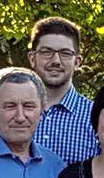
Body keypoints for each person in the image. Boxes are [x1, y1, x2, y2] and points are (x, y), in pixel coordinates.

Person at [27, 16, 98, 164]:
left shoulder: (96, 117)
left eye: (65, 53)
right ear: (32, 58)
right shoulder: (10, 114)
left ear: (77, 61)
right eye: (47, 52)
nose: (56, 61)